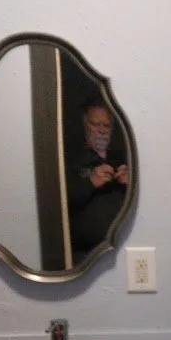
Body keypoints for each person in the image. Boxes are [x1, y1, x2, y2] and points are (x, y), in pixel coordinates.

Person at [67, 97, 128, 262]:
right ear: (86, 126)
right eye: (95, 124)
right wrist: (90, 182)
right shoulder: (70, 160)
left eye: (106, 125)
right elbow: (58, 203)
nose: (101, 130)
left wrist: (131, 186)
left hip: (123, 250)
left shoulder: (125, 159)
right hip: (83, 255)